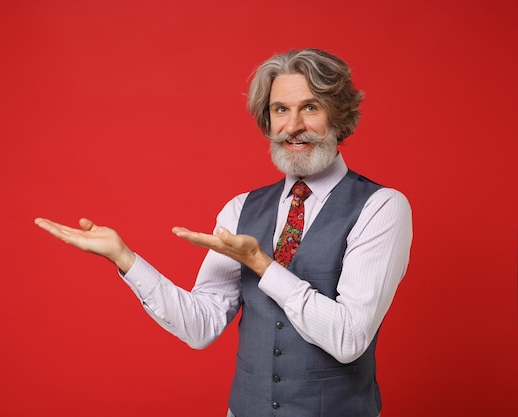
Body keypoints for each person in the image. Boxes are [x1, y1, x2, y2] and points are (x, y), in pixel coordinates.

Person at [35, 48, 413, 417]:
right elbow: (201, 326)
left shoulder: (381, 207)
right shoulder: (241, 209)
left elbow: (348, 340)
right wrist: (126, 259)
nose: (293, 126)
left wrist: (262, 264)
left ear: (338, 115)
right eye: (281, 109)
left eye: (310, 108)